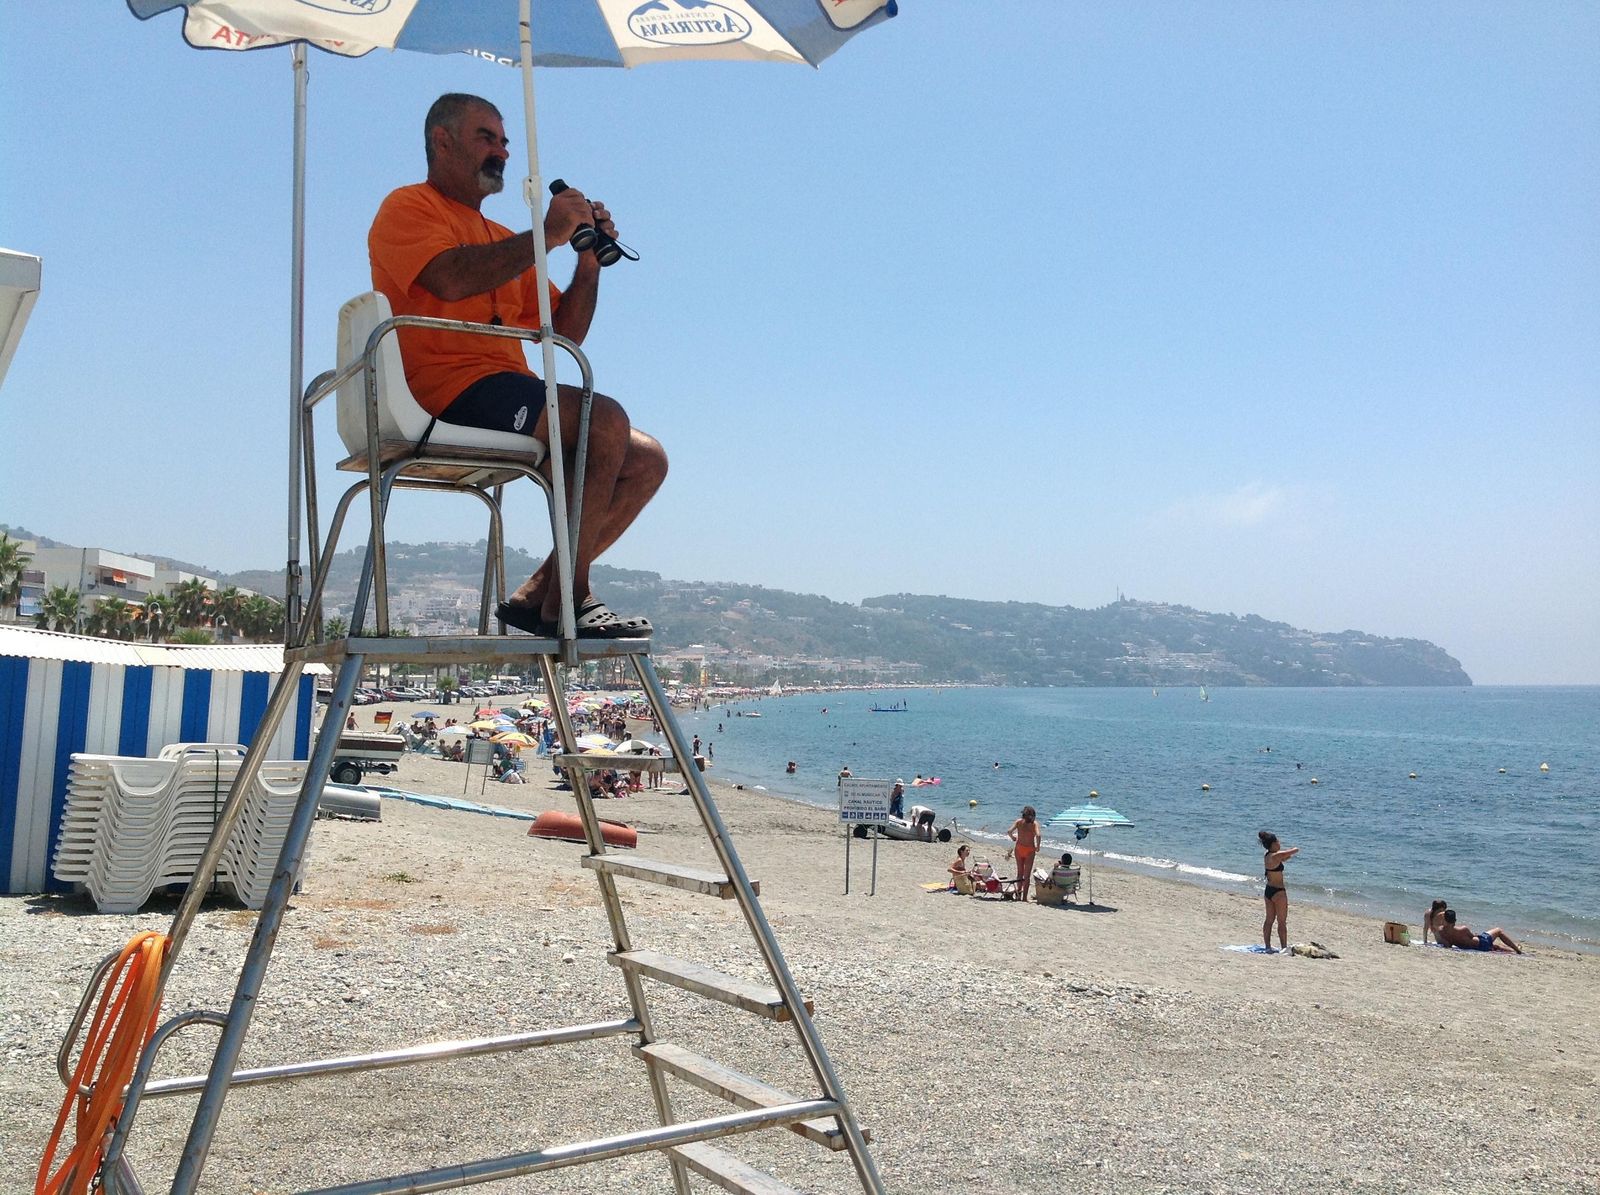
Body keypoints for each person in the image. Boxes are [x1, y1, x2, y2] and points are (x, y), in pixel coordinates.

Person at [369, 93, 667, 639]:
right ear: (442, 140)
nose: (501, 151)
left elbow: (567, 331)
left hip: (508, 391)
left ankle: (540, 593)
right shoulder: (407, 206)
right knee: (604, 421)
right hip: (445, 393)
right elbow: (450, 279)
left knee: (646, 460)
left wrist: (586, 259)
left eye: (505, 141)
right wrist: (545, 237)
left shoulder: (502, 241)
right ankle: (569, 600)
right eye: (487, 137)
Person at [1259, 829, 1300, 952]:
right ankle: (1283, 947)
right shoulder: (1276, 855)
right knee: (1282, 921)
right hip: (1279, 892)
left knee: (1269, 920)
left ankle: (1267, 946)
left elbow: (1283, 859)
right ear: (1272, 844)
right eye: (1277, 841)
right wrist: (1291, 850)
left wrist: (1285, 856)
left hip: (1269, 891)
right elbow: (1295, 850)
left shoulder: (1268, 856)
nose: (1279, 843)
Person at [1438, 908, 1522, 954]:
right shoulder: (1463, 929)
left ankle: (1511, 951)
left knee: (1496, 947)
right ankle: (1517, 950)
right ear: (1455, 920)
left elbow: (1448, 945)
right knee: (1498, 930)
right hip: (1482, 943)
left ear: (1444, 920)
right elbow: (1472, 937)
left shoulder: (1442, 932)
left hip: (1473, 948)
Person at [1007, 805, 1043, 903]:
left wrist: (1013, 838)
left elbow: (1009, 831)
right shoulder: (1034, 824)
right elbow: (1038, 835)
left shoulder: (1019, 822)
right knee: (1026, 875)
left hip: (1019, 848)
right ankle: (1024, 898)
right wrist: (1038, 846)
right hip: (1029, 850)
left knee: (1020, 872)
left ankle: (1019, 894)